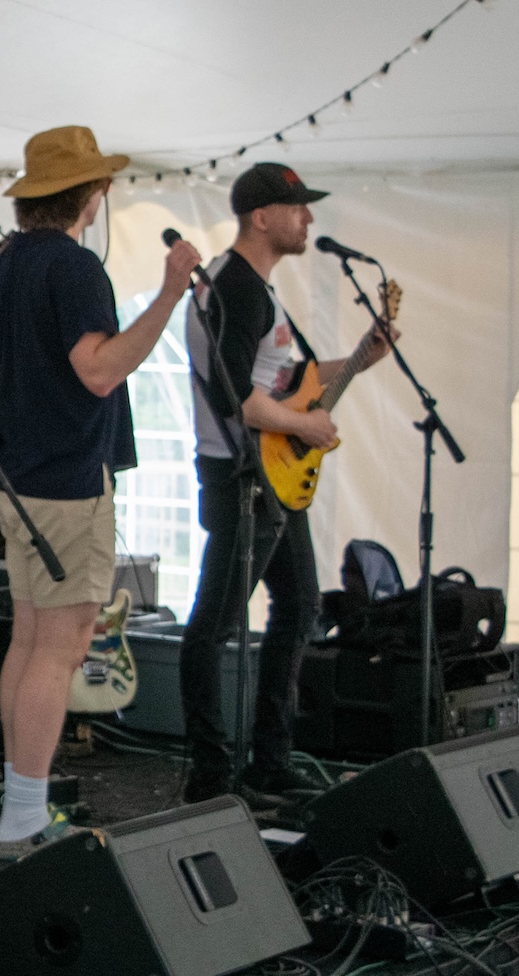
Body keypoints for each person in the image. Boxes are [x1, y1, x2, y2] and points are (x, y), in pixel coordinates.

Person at [0, 126, 201, 859]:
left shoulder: (6, 265)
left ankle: (22, 808)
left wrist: (6, 385)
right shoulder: (76, 270)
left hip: (17, 476)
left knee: (31, 639)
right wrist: (170, 293)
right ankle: (21, 820)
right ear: (94, 194)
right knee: (61, 645)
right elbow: (101, 370)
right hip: (66, 483)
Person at [179, 163, 394, 804]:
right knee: (213, 626)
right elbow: (236, 398)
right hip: (241, 476)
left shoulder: (256, 288)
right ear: (262, 216)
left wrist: (359, 359)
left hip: (271, 478)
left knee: (300, 606)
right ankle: (211, 774)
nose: (308, 219)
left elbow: (284, 376)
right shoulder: (236, 288)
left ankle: (270, 761)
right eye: (297, 208)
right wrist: (310, 425)